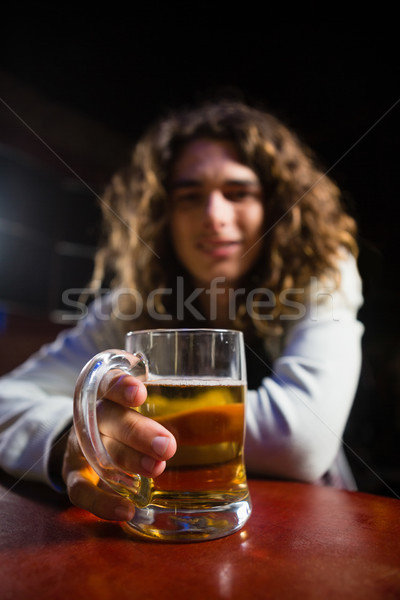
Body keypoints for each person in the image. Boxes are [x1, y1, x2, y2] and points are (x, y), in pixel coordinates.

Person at [0, 97, 364, 522]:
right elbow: (8, 398)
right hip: (158, 532)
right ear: (163, 213)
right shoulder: (131, 305)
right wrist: (72, 436)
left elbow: (301, 439)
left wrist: (136, 419)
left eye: (238, 192)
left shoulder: (321, 274)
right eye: (190, 197)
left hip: (314, 531)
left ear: (276, 206)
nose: (214, 215)